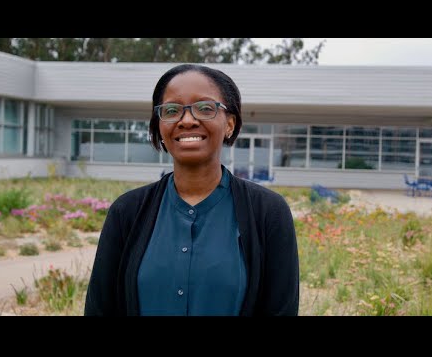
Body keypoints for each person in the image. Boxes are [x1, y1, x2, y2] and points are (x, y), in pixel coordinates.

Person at [84, 64, 299, 316]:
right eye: (172, 110)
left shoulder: (268, 212)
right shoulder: (127, 212)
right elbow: (100, 308)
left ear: (229, 123)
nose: (187, 120)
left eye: (205, 108)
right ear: (160, 125)